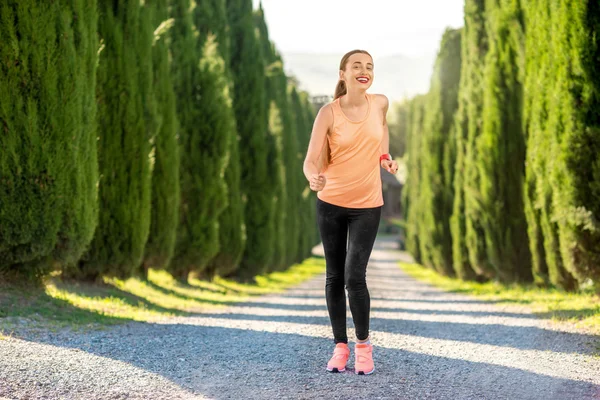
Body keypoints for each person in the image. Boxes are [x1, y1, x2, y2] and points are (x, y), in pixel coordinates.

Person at [303, 49, 398, 375]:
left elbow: (382, 129)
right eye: (357, 66)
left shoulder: (380, 103)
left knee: (355, 276)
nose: (364, 70)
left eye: (369, 66)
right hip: (331, 203)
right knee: (335, 276)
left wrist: (385, 157)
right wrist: (312, 177)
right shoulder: (328, 113)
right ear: (343, 73)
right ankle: (340, 347)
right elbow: (311, 159)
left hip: (368, 205)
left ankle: (363, 346)